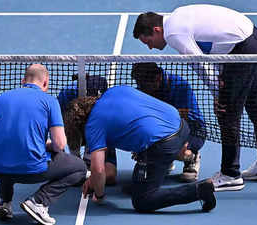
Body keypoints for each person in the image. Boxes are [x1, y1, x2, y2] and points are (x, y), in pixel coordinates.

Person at [133, 4, 257, 191]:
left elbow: (198, 62)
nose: (151, 48)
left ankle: (230, 174)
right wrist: (220, 80)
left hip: (242, 47)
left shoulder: (173, 34)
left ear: (156, 30)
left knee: (226, 112)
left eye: (148, 41)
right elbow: (215, 46)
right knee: (256, 104)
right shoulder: (176, 17)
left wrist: (219, 94)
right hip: (252, 36)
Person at [65, 85, 216, 213]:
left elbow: (98, 169)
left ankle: (200, 190)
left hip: (164, 143)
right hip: (181, 126)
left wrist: (99, 195)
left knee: (142, 200)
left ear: (80, 125)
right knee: (134, 184)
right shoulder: (113, 91)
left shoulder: (92, 125)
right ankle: (185, 157)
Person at [0, 64, 87, 225]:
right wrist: (44, 146)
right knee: (80, 168)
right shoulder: (49, 101)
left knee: (8, 150)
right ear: (45, 83)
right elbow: (59, 145)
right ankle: (39, 202)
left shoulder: (0, 99)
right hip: (31, 171)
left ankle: (3, 201)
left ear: (23, 81)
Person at [131, 62, 206, 182]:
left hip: (192, 129)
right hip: (164, 129)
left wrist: (159, 111)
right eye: (140, 84)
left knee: (183, 153)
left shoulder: (180, 85)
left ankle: (192, 157)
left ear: (158, 78)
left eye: (145, 85)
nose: (143, 89)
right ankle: (164, 160)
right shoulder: (142, 89)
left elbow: (189, 115)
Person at [57, 74, 117, 185]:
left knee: (109, 177)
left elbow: (106, 128)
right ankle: (75, 162)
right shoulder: (68, 94)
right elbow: (58, 127)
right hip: (74, 125)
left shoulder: (106, 100)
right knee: (70, 176)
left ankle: (87, 161)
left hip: (96, 128)